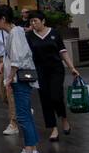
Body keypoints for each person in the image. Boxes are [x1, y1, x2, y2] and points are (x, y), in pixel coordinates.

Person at [0, 5, 41, 153]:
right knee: (25, 114)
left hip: (20, 80)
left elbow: (17, 59)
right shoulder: (15, 32)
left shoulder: (15, 33)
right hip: (20, 79)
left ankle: (29, 151)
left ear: (3, 19)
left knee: (23, 115)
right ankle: (32, 150)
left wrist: (9, 78)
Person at [24, 10, 80, 141]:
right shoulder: (29, 36)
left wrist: (72, 67)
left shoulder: (54, 33)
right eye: (31, 21)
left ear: (43, 21)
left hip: (56, 69)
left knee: (56, 96)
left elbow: (63, 52)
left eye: (35, 21)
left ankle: (64, 118)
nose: (33, 24)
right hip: (39, 70)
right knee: (45, 98)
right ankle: (53, 128)